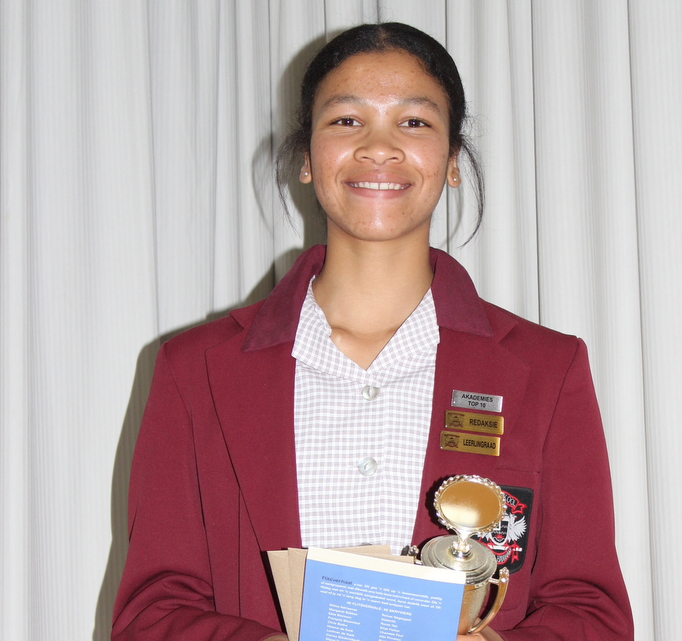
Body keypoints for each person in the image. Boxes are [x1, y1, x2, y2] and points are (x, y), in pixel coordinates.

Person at [112, 22, 633, 641]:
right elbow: (152, 613)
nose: (379, 148)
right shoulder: (194, 370)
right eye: (346, 120)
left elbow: (591, 613)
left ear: (453, 160)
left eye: (413, 122)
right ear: (306, 158)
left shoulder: (547, 371)